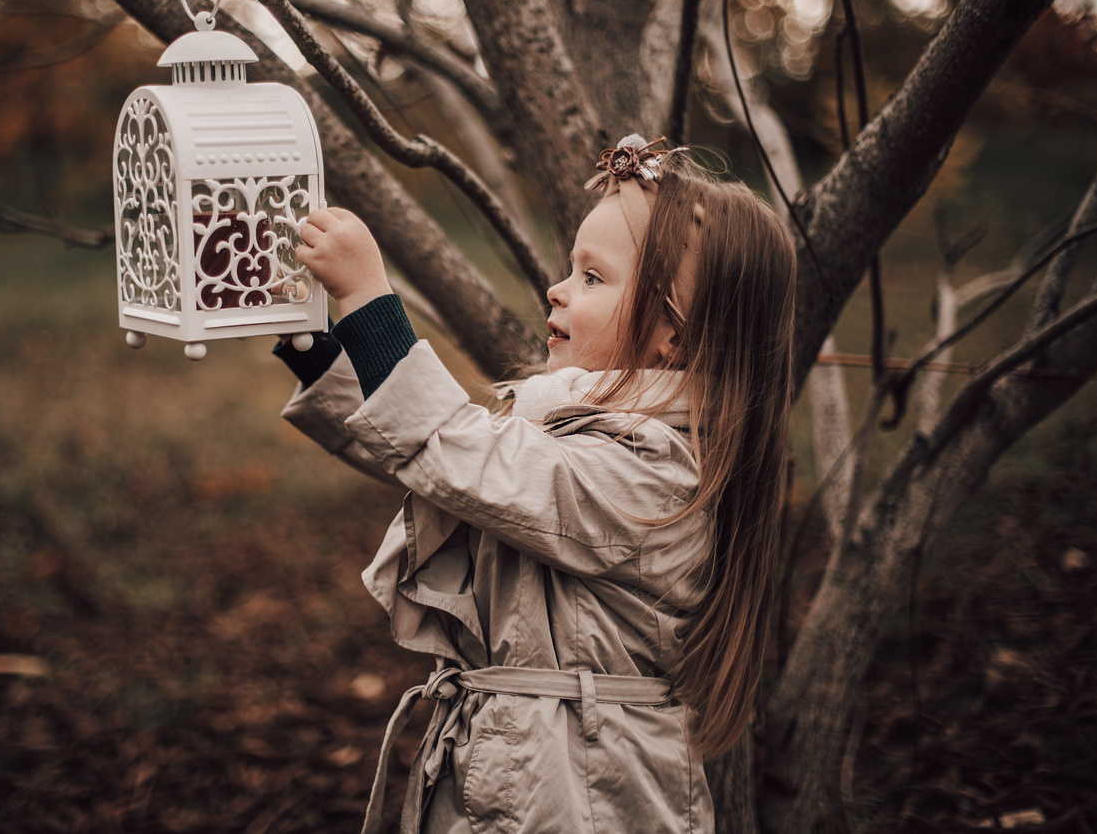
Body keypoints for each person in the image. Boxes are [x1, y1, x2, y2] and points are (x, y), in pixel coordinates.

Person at [273, 135, 796, 834]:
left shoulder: (657, 474)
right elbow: (434, 462)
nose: (558, 287)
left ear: (671, 335)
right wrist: (312, 343)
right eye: (571, 268)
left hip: (587, 794)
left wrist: (370, 299)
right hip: (527, 767)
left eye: (592, 278)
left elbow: (455, 455)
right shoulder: (575, 439)